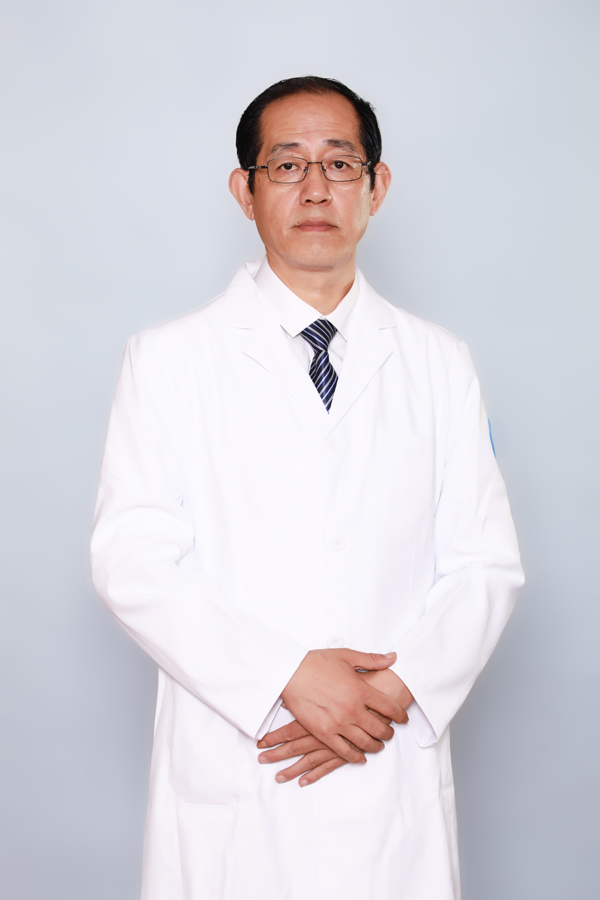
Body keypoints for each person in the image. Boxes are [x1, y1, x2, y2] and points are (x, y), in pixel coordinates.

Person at [90, 75, 524, 900]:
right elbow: (131, 560)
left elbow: (485, 564)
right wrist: (284, 674)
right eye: (287, 165)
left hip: (384, 757)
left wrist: (389, 693)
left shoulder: (439, 363)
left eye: (340, 164)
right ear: (245, 191)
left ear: (377, 187)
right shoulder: (170, 360)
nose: (316, 188)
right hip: (241, 763)